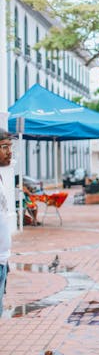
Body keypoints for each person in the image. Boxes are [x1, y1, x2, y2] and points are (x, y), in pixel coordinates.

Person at [0, 129, 14, 316]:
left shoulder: (1, 178)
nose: (10, 152)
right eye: (4, 147)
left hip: (2, 258)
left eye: (10, 147)